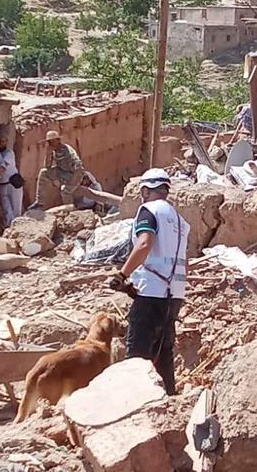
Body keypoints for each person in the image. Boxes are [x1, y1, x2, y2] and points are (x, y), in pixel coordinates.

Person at [108, 168, 189, 396]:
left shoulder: (148, 211)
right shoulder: (180, 220)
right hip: (174, 293)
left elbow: (145, 244)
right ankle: (169, 398)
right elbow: (181, 259)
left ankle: (133, 401)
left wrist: (122, 275)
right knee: (163, 351)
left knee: (137, 353)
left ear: (145, 190)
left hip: (153, 292)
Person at [30, 130, 84, 209]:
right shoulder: (52, 151)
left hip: (73, 174)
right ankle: (40, 201)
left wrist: (72, 182)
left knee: (65, 191)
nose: (50, 143)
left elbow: (78, 164)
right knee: (43, 172)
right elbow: (47, 167)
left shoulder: (67, 149)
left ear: (58, 140)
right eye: (49, 142)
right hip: (61, 172)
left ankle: (70, 210)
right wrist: (48, 154)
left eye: (52, 141)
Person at [0, 135, 23, 224]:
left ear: (6, 142)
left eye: (3, 141)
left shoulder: (9, 153)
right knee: (6, 209)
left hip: (13, 183)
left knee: (16, 209)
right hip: (2, 185)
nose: (1, 144)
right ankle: (9, 227)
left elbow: (3, 167)